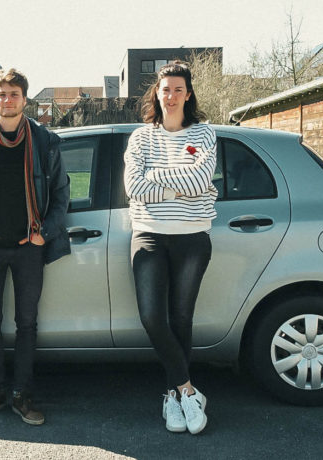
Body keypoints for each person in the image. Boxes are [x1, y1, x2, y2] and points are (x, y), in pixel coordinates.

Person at [0, 68, 70, 425]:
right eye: (1, 94)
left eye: (14, 94)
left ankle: (22, 394)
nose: (8, 100)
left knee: (27, 324)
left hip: (29, 247)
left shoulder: (44, 141)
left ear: (24, 99)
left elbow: (61, 194)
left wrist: (43, 234)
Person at [123, 62, 217, 434]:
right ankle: (188, 391)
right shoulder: (141, 138)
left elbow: (201, 179)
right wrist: (181, 186)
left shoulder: (204, 133)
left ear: (188, 94)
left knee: (180, 320)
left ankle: (172, 397)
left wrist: (156, 176)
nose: (172, 95)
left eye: (179, 89)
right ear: (157, 93)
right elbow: (134, 187)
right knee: (152, 318)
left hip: (192, 237)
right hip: (149, 235)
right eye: (166, 89)